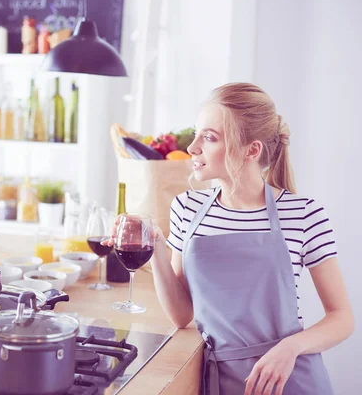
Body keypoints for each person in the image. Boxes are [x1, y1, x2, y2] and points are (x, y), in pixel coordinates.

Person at [106, 83, 353, 395]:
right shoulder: (187, 207)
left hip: (290, 380)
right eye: (197, 134)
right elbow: (182, 315)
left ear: (251, 150)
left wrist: (290, 348)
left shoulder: (302, 213)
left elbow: (341, 318)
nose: (193, 147)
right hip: (220, 381)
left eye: (209, 137)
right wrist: (155, 248)